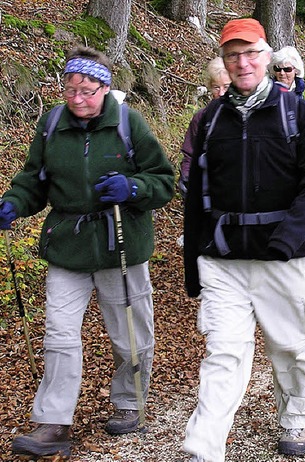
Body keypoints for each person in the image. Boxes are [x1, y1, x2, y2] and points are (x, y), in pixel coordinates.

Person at [1, 46, 174, 457]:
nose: (77, 98)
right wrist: (13, 203)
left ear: (105, 88)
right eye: (70, 88)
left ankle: (130, 403)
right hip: (68, 244)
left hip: (121, 244)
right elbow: (33, 181)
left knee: (130, 334)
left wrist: (133, 188)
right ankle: (54, 421)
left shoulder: (128, 124)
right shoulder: (53, 124)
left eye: (86, 90)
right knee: (59, 333)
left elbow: (163, 181)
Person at [182, 18, 305, 461]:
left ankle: (297, 417)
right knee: (223, 355)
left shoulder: (297, 112)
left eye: (250, 53)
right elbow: (197, 198)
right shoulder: (210, 120)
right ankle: (204, 447)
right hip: (224, 260)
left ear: (267, 57)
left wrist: (289, 237)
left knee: (292, 347)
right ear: (224, 63)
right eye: (233, 55)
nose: (242, 62)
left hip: (280, 258)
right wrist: (195, 262)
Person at [178, 57, 232, 199]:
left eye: (226, 87)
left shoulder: (245, 117)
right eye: (216, 87)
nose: (221, 93)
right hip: (206, 191)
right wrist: (187, 179)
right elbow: (189, 154)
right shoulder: (201, 118)